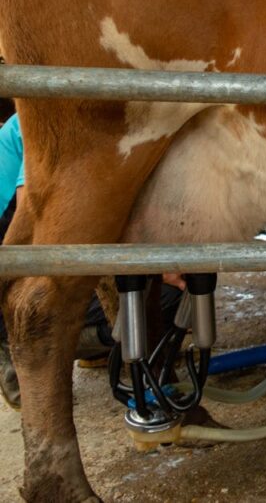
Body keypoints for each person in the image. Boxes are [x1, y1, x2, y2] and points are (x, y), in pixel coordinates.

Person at [0, 113, 183, 410]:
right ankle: (13, 340)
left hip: (25, 249)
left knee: (165, 296)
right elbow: (35, 220)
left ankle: (90, 345)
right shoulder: (56, 118)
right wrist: (154, 263)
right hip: (11, 263)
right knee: (161, 296)